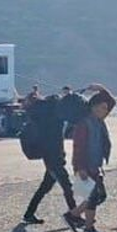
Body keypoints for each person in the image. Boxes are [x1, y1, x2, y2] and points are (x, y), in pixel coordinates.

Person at [64, 86, 115, 232]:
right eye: (102, 108)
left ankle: (72, 216)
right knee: (94, 197)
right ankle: (88, 229)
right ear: (93, 107)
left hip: (96, 164)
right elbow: (78, 147)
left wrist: (101, 89)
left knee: (100, 196)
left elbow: (111, 102)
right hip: (87, 166)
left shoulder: (99, 120)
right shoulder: (84, 124)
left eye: (106, 109)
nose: (106, 111)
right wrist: (79, 168)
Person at [23, 96, 77, 225]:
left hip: (51, 159)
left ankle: (29, 214)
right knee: (67, 187)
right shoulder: (54, 120)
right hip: (54, 160)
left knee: (44, 188)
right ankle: (74, 216)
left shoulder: (46, 119)